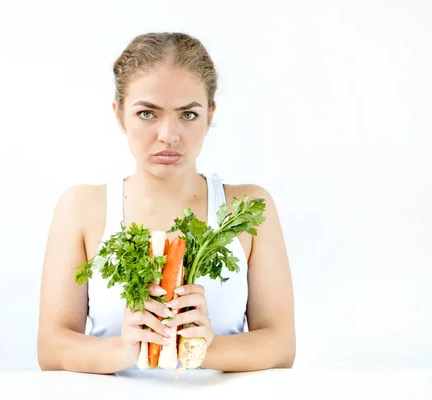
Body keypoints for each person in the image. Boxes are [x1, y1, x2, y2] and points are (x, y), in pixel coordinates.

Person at [36, 32, 295, 374]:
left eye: (188, 115)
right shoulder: (81, 208)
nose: (168, 135)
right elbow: (52, 349)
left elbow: (281, 347)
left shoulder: (247, 207)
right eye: (147, 114)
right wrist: (128, 348)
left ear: (210, 114)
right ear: (119, 114)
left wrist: (205, 347)